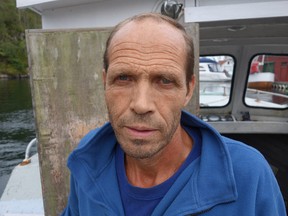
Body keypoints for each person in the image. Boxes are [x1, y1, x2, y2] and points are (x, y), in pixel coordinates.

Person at [61, 13, 286, 216]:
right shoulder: (89, 158)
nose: (141, 105)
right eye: (123, 78)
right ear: (105, 82)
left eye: (165, 81)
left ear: (188, 89)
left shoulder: (248, 174)